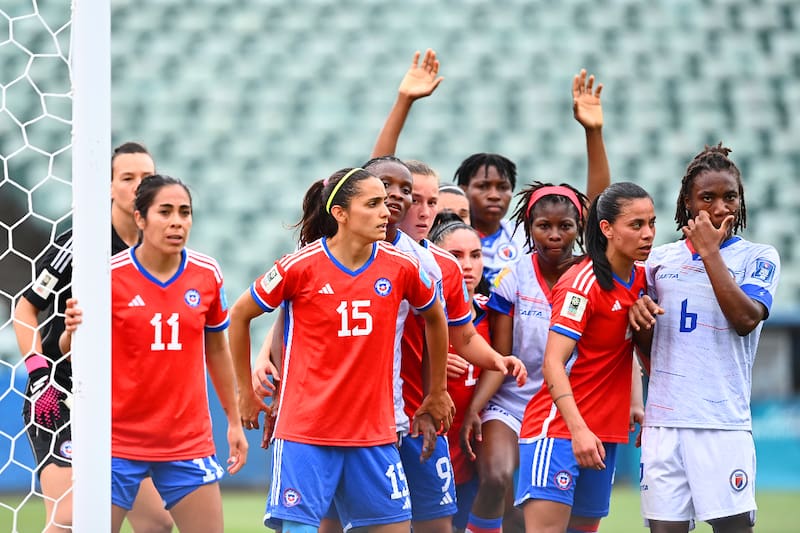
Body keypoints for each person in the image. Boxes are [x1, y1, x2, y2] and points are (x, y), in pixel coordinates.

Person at [230, 167, 454, 532]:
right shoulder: (298, 267)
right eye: (373, 203)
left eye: (384, 203)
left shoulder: (402, 266)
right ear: (341, 213)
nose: (386, 211)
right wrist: (244, 391)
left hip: (375, 436)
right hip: (306, 435)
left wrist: (438, 391)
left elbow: (435, 316)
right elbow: (239, 315)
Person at [460, 68, 611, 533]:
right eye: (544, 226)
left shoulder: (593, 273)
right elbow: (502, 357)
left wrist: (593, 132)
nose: (555, 234)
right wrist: (474, 408)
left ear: (581, 228)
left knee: (551, 514)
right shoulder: (513, 278)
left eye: (566, 226)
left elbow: (602, 203)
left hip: (572, 406)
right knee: (498, 477)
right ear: (529, 227)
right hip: (514, 403)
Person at [62, 174, 248, 532]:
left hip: (186, 441)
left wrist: (234, 420)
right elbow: (72, 355)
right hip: (117, 441)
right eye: (165, 212)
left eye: (184, 212)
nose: (177, 222)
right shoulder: (107, 277)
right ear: (140, 218)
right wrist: (72, 333)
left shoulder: (207, 273)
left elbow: (217, 350)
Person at [12, 142, 174, 533]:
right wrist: (38, 375)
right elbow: (25, 309)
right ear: (108, 186)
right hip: (60, 396)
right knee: (71, 516)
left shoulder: (160, 251)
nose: (138, 185)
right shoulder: (81, 242)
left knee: (156, 523)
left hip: (120, 405)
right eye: (128, 177)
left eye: (147, 177)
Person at [629, 144, 780, 533]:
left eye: (730, 197)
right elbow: (647, 348)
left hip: (720, 422)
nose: (719, 208)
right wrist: (640, 319)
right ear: (687, 202)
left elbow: (745, 319)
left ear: (741, 201)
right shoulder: (658, 261)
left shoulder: (758, 257)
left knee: (733, 528)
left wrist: (710, 252)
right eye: (707, 197)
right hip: (664, 422)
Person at [515, 181, 655, 533]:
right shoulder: (582, 284)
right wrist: (578, 431)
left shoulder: (642, 280)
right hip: (559, 430)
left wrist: (636, 402)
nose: (648, 234)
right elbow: (552, 363)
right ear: (607, 228)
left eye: (652, 223)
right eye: (636, 225)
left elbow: (622, 348)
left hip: (605, 433)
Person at [427, 214, 491, 533]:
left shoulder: (495, 312)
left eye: (475, 255)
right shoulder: (419, 315)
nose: (467, 266)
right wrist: (432, 363)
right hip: (424, 451)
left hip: (468, 457)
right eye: (455, 255)